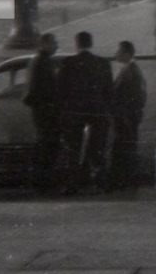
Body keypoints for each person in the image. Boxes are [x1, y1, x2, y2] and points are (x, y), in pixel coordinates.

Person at [55, 30, 114, 193]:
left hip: (74, 112)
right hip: (97, 111)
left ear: (77, 44)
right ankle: (102, 183)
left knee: (73, 149)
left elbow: (60, 90)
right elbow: (109, 90)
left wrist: (63, 110)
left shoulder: (68, 63)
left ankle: (73, 184)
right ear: (91, 43)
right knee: (98, 149)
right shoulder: (103, 63)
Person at [25, 33, 61, 193]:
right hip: (46, 112)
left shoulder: (40, 61)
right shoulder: (42, 62)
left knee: (45, 146)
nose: (56, 46)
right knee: (47, 146)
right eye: (54, 43)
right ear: (45, 44)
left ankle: (43, 181)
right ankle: (44, 182)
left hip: (43, 111)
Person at [108, 40, 147, 191]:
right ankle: (126, 180)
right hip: (128, 118)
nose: (116, 54)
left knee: (123, 149)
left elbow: (132, 98)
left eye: (118, 51)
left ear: (126, 53)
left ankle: (122, 181)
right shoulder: (131, 70)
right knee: (126, 148)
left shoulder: (129, 71)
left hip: (125, 118)